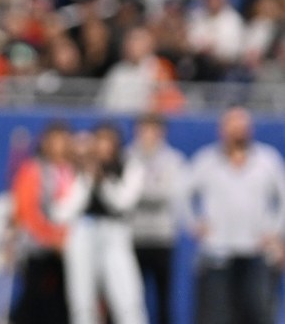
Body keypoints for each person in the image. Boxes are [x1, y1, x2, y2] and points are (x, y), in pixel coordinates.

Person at [183, 107, 285, 324]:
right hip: (218, 251)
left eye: (242, 127)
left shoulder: (267, 160)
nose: (238, 132)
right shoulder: (206, 161)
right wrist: (194, 223)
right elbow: (182, 195)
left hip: (257, 251)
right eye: (233, 127)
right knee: (217, 316)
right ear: (222, 131)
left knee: (259, 314)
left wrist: (276, 232)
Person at [54, 122, 148, 324]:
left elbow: (123, 202)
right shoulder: (77, 167)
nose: (104, 147)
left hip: (115, 232)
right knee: (82, 300)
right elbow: (64, 211)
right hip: (82, 231)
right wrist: (86, 175)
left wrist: (102, 179)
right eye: (100, 141)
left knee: (128, 298)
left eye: (109, 141)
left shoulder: (130, 164)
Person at [10, 120, 74, 324]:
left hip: (67, 249)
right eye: (55, 140)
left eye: (64, 139)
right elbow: (28, 212)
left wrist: (67, 238)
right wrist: (51, 238)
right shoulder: (33, 170)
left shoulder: (71, 170)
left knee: (61, 303)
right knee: (34, 300)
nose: (60, 145)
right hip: (37, 248)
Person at [126, 113, 187, 324]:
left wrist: (139, 193)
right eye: (144, 129)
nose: (149, 135)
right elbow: (125, 196)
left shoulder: (173, 159)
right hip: (134, 236)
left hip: (162, 237)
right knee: (132, 297)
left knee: (164, 297)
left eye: (153, 130)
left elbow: (170, 194)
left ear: (162, 132)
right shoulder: (127, 157)